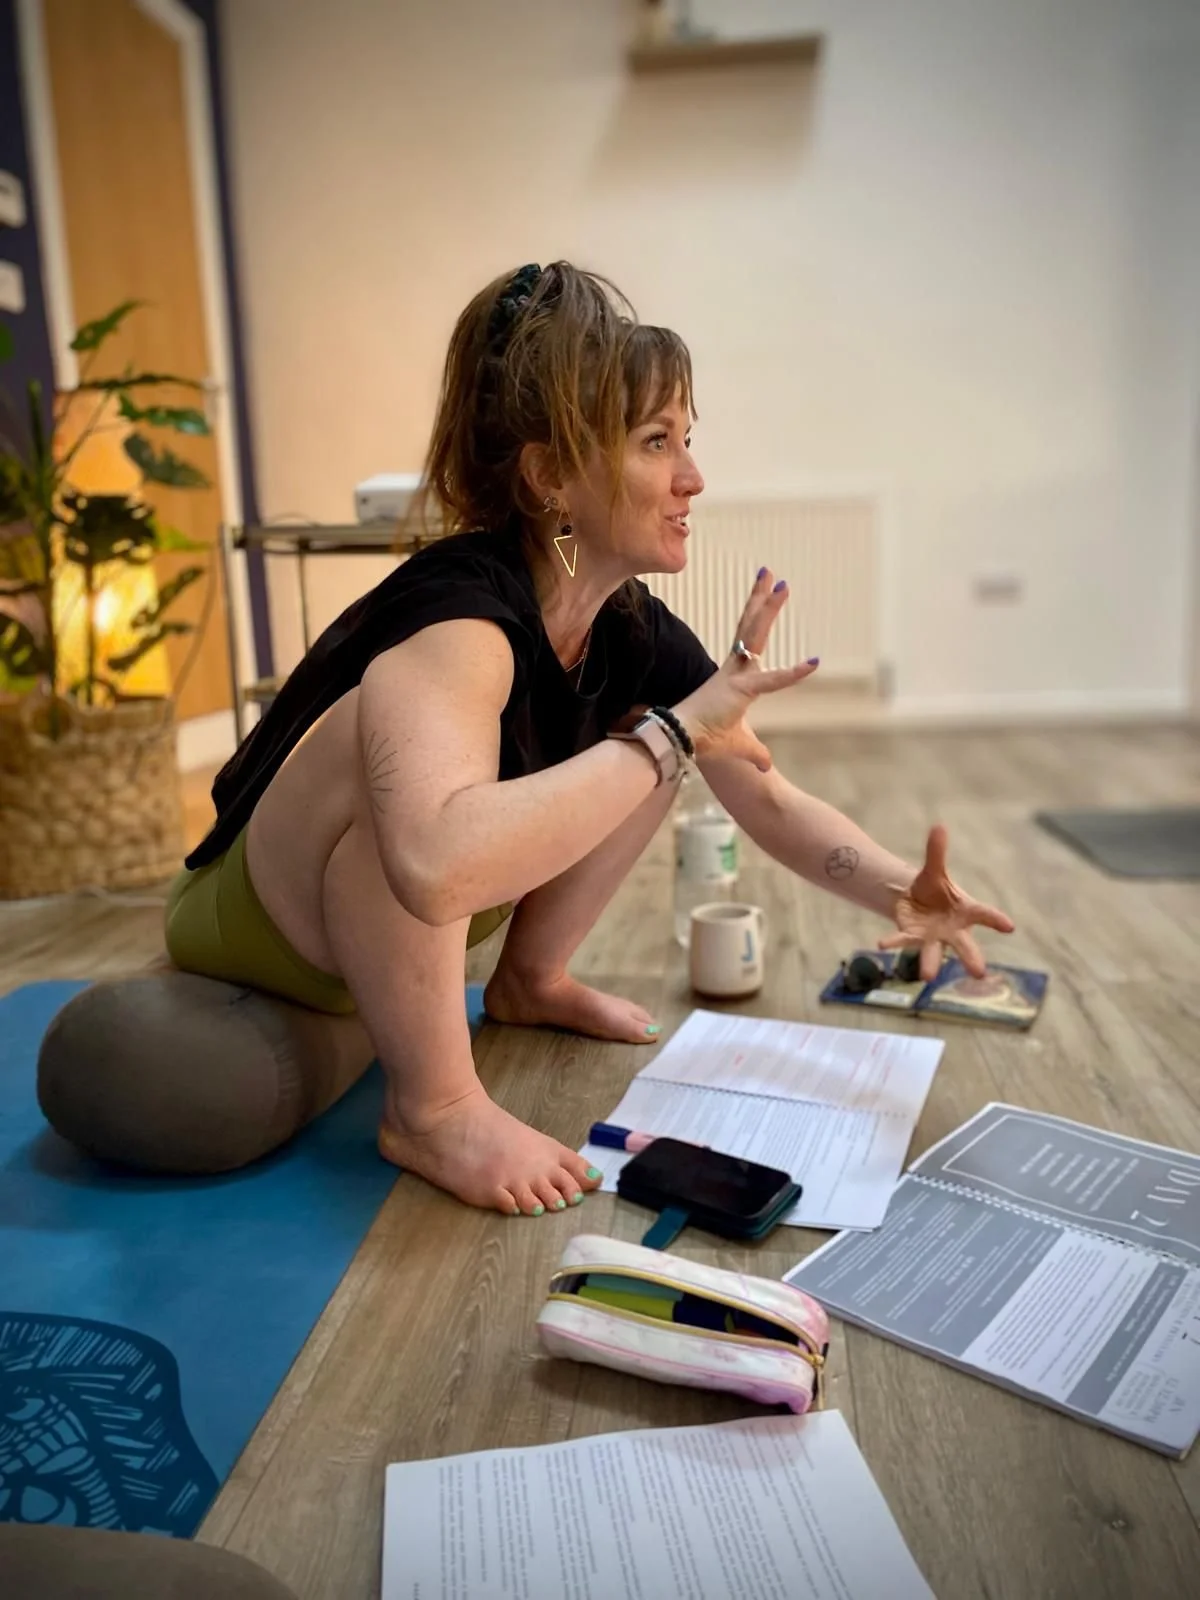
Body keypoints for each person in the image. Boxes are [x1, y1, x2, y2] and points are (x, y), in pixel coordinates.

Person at [166, 261, 1014, 1218]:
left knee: (665, 739)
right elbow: (433, 865)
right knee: (504, 748)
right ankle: (433, 1106)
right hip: (263, 929)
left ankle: (531, 980)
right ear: (550, 477)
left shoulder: (630, 631)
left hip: (410, 913)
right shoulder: (459, 624)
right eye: (657, 443)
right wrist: (670, 735)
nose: (693, 479)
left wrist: (905, 889)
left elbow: (764, 798)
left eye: (687, 441)